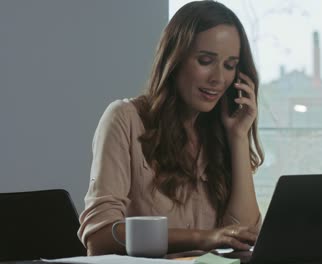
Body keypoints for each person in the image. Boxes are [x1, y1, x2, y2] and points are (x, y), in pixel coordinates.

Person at [78, 0, 264, 256]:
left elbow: (243, 237)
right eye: (206, 60)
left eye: (229, 66)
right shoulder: (125, 119)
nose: (219, 79)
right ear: (175, 58)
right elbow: (100, 238)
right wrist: (204, 238)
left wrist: (239, 136)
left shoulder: (222, 134)